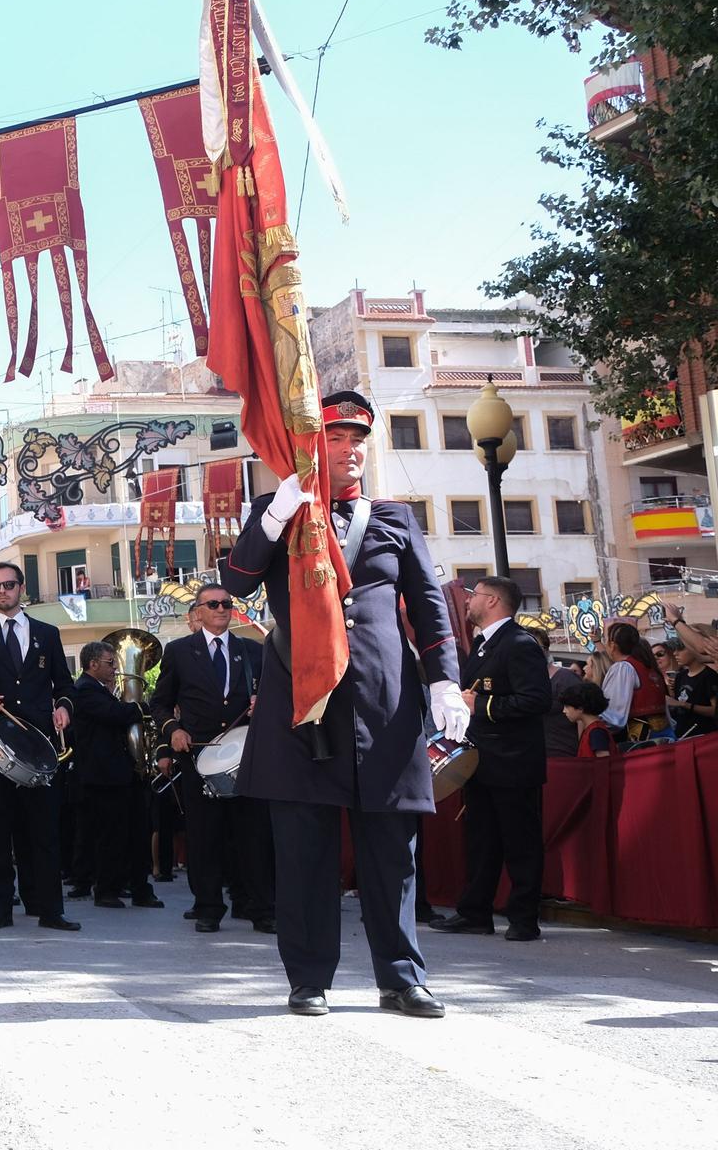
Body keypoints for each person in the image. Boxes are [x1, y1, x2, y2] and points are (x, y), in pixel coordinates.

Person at [220, 391, 467, 1019]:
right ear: (313, 445)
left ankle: (402, 976)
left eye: (359, 439)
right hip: (303, 701)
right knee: (304, 849)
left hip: (383, 704)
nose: (351, 449)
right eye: (336, 438)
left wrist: (443, 680)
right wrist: (277, 513)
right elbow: (237, 581)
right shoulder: (277, 510)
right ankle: (308, 978)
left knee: (392, 850)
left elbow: (430, 607)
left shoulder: (394, 518)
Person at [0, 562, 81, 932]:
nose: (2, 592)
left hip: (39, 747)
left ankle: (49, 909)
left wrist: (63, 708)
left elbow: (65, 685)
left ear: (21, 587)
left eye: (8, 585)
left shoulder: (47, 633)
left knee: (44, 831)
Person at [433, 577, 553, 942]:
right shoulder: (485, 645)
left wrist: (479, 705)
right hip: (482, 761)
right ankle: (475, 912)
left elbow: (536, 700)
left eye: (475, 596)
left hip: (514, 761)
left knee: (520, 843)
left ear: (494, 600)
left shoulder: (518, 643)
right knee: (481, 841)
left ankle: (523, 918)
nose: (468, 602)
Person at [150, 584, 273, 933]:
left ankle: (259, 907)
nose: (222, 609)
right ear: (198, 612)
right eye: (214, 604)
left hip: (243, 757)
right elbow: (159, 702)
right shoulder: (179, 652)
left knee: (254, 835)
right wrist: (172, 729)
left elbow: (272, 696)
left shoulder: (252, 651)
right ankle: (207, 908)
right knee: (205, 836)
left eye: (227, 604)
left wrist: (261, 704)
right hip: (198, 757)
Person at [67, 641, 165, 911]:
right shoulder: (84, 690)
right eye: (111, 663)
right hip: (103, 776)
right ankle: (107, 890)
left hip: (120, 773)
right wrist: (141, 708)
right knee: (111, 836)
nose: (115, 669)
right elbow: (113, 714)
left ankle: (139, 889)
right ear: (93, 664)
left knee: (134, 833)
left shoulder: (99, 690)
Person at [601, 622, 668, 742]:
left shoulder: (623, 668)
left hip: (640, 739)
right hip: (664, 734)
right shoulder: (648, 667)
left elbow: (614, 716)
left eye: (604, 640)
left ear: (612, 645)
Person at [665, 639, 717, 740]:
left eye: (680, 649)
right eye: (674, 649)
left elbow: (715, 711)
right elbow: (677, 703)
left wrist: (683, 704)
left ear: (695, 649)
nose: (675, 653)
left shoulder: (709, 676)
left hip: (704, 736)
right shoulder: (680, 676)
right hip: (682, 735)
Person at [561, 682, 615, 757]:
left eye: (567, 706)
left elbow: (604, 762)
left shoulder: (596, 732)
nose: (564, 711)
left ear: (580, 708)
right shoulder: (591, 729)